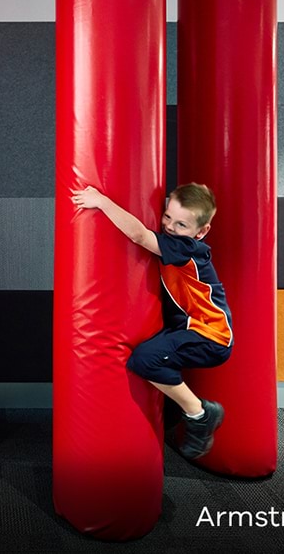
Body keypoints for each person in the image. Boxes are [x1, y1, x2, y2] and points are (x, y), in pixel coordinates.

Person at [71, 182, 232, 459]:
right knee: (152, 355)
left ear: (201, 232)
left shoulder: (186, 248)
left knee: (145, 359)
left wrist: (101, 201)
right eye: (167, 217)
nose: (170, 227)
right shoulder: (177, 240)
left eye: (181, 224)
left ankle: (200, 414)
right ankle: (177, 412)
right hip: (189, 330)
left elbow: (138, 235)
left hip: (210, 336)